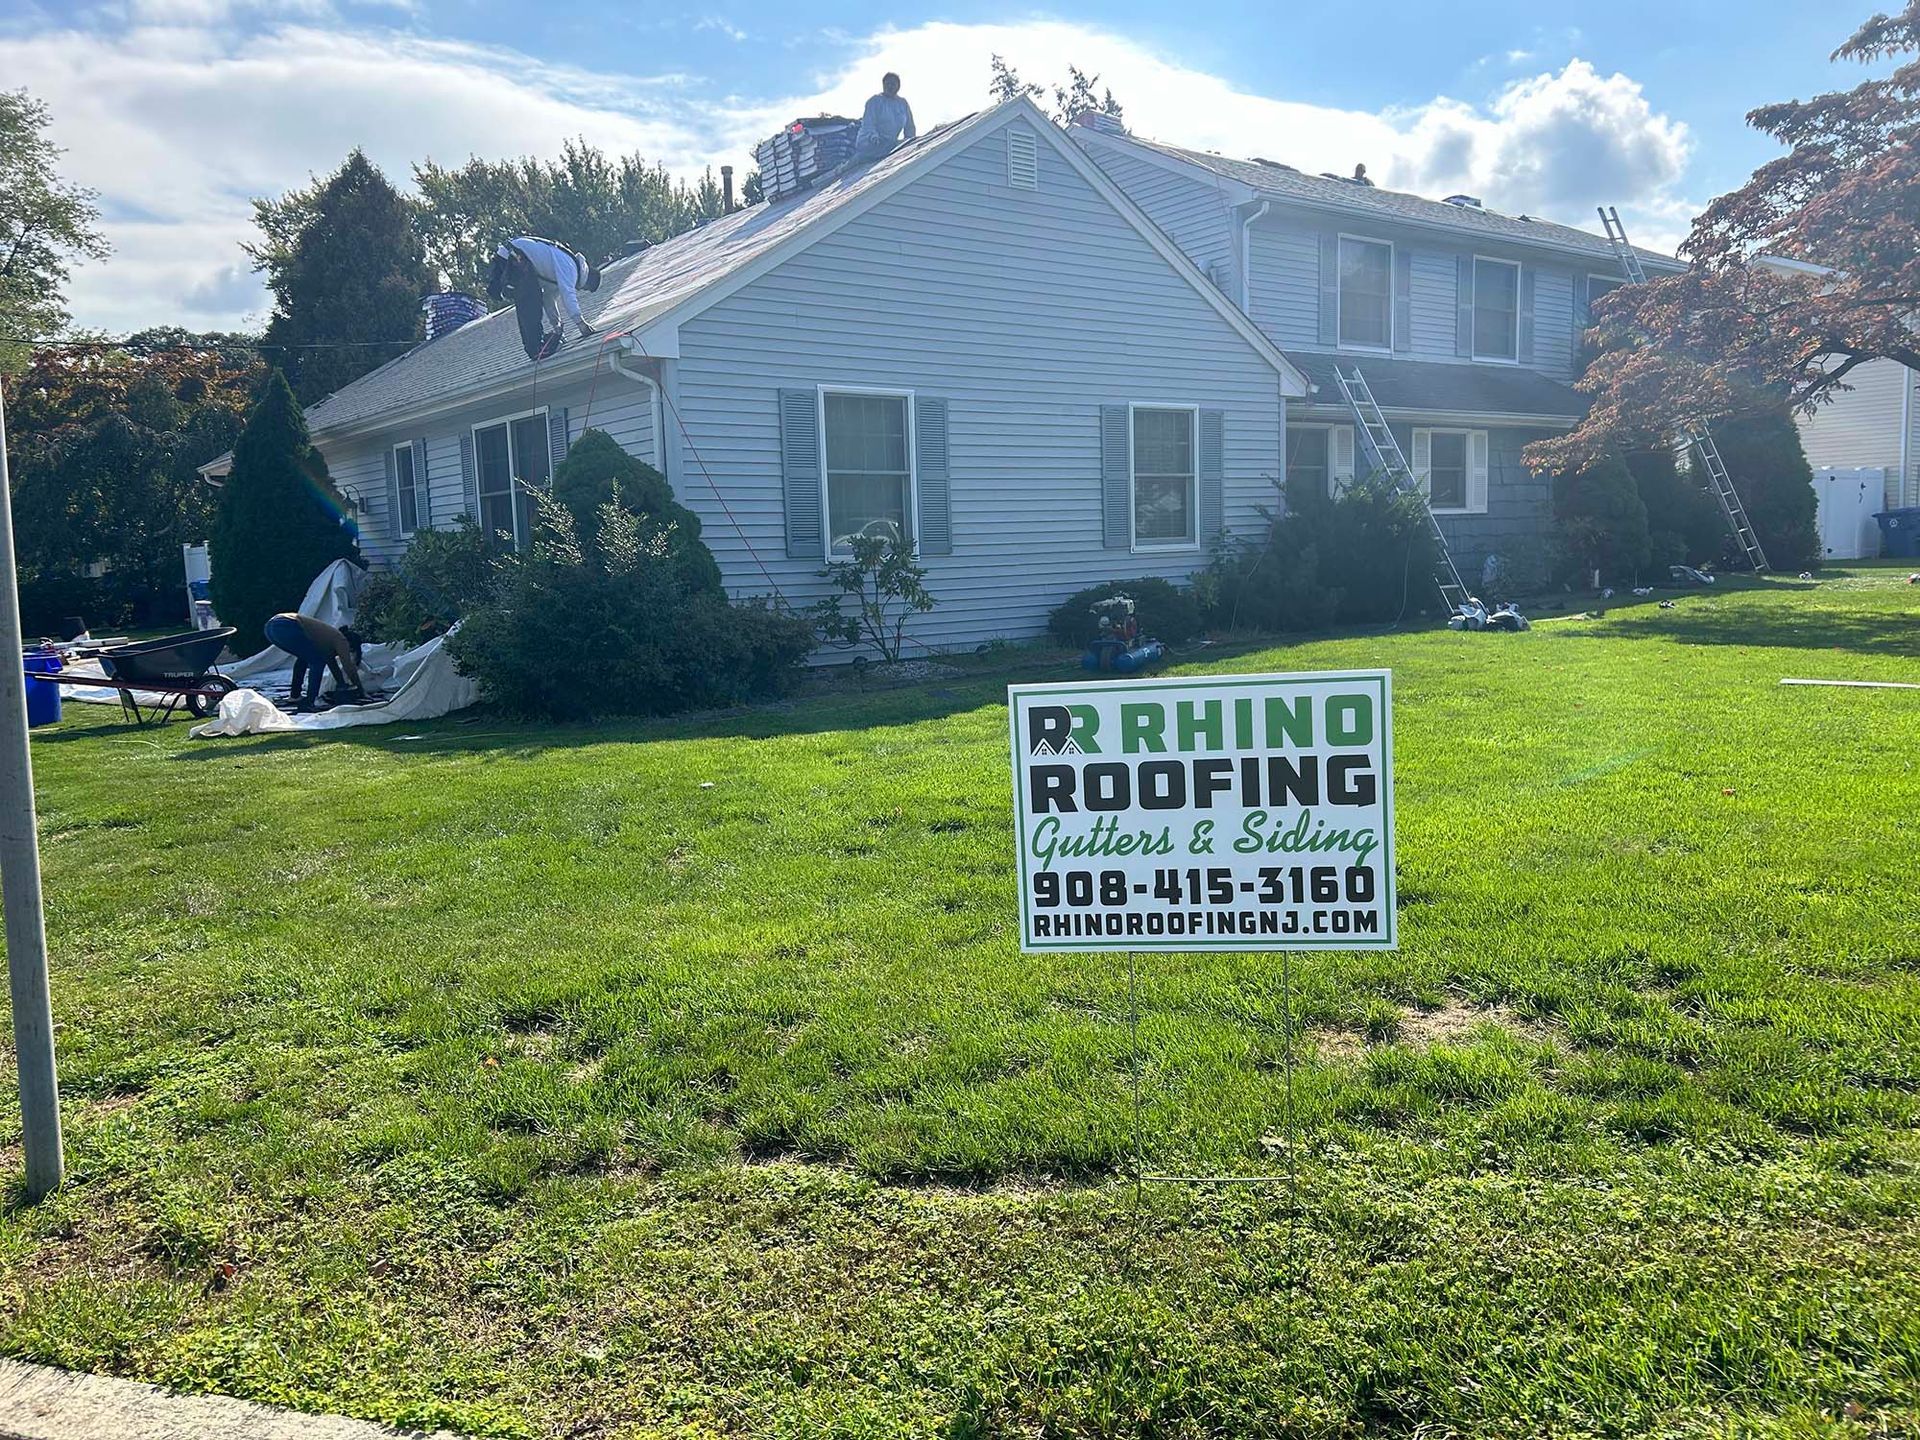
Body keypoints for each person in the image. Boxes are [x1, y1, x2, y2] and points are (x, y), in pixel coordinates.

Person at [486, 237, 602, 362]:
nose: (581, 290)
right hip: (514, 257)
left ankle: (535, 346)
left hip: (511, 257)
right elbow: (568, 294)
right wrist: (581, 324)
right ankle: (536, 348)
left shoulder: (562, 270)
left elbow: (549, 300)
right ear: (588, 281)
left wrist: (557, 327)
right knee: (531, 301)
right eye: (586, 288)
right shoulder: (571, 268)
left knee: (532, 297)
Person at [263, 612, 366, 713]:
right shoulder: (341, 639)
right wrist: (360, 690)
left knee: (303, 658)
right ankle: (311, 701)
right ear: (351, 644)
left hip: (270, 628)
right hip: (285, 625)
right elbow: (348, 666)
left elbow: (333, 665)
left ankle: (295, 696)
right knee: (317, 661)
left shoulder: (326, 639)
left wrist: (341, 684)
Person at [851, 73, 916, 164]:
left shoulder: (902, 103)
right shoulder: (875, 101)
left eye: (893, 84)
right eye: (888, 84)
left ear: (898, 86)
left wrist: (911, 142)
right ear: (883, 85)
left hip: (890, 144)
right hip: (871, 144)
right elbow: (868, 124)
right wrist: (873, 136)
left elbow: (909, 126)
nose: (890, 86)